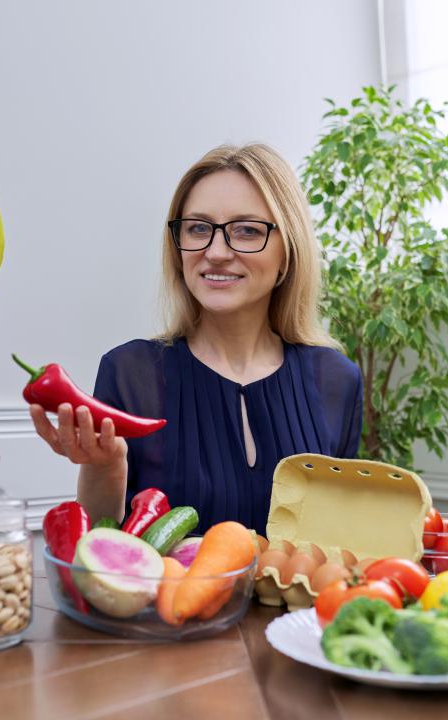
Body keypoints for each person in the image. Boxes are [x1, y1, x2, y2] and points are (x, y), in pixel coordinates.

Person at [29, 144, 363, 534]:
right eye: (199, 228)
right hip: (167, 597)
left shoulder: (337, 380)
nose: (216, 252)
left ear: (288, 252)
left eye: (247, 230)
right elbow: (104, 546)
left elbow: (340, 543)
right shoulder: (131, 374)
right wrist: (104, 467)